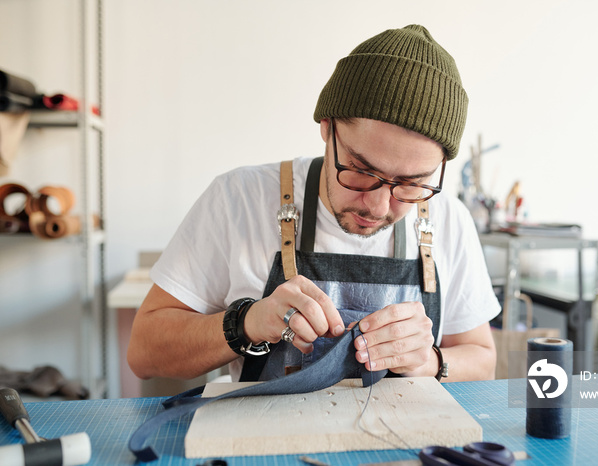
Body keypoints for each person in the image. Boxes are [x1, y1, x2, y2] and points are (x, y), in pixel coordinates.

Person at [127, 24, 501, 385]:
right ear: (327, 127)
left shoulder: (448, 219)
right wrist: (245, 324)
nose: (377, 205)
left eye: (410, 184)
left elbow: (483, 360)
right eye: (360, 169)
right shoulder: (239, 198)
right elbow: (144, 354)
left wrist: (431, 361)